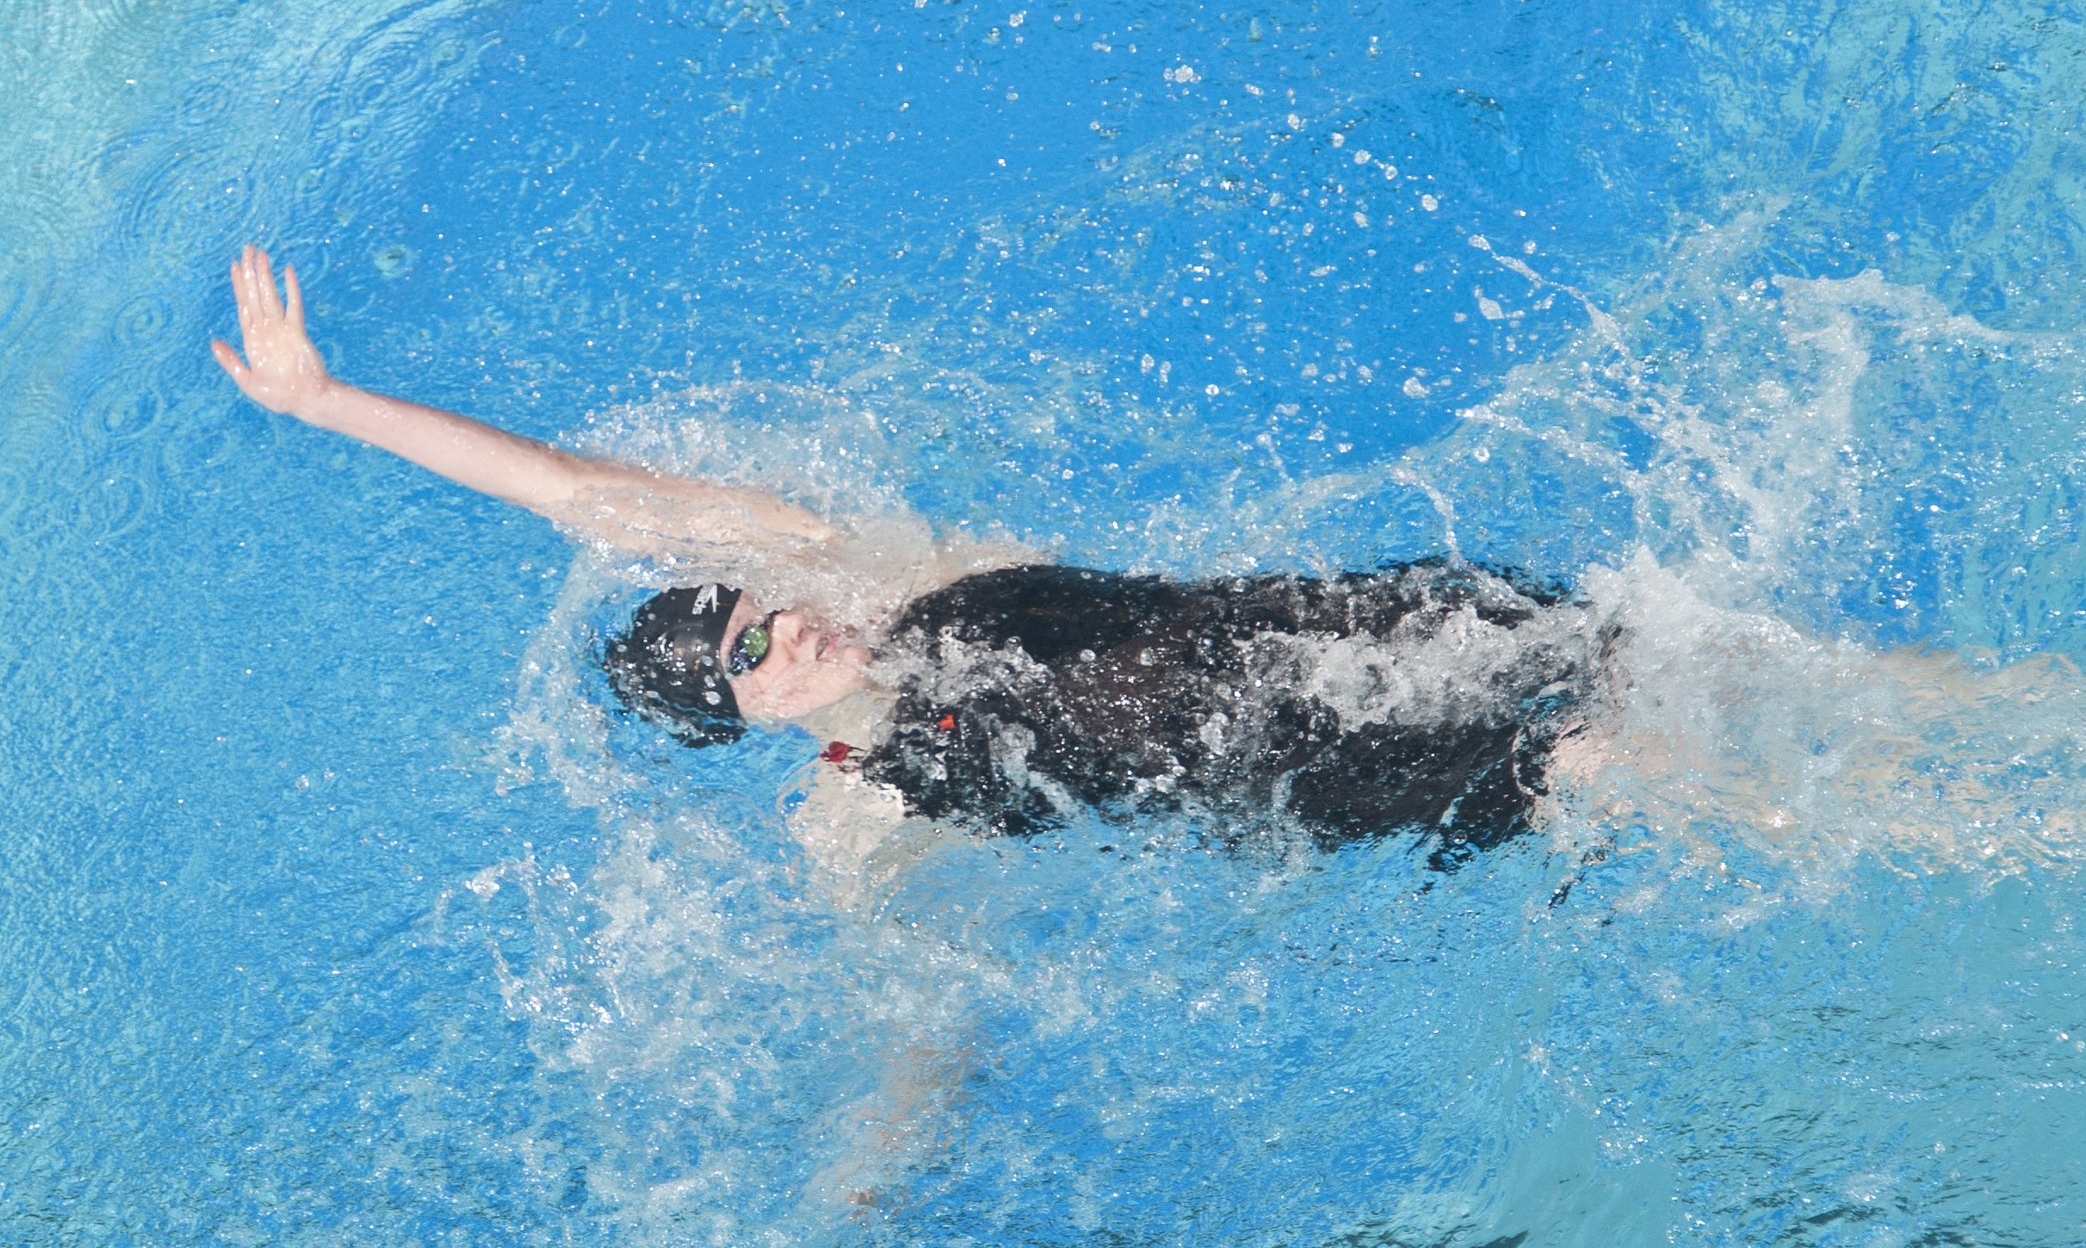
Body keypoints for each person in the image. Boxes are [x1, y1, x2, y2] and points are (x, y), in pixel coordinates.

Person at [212, 246, 1614, 864]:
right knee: (1649, 766)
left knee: (1637, 645)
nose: (782, 630)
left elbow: (585, 493)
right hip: (1324, 775)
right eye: (749, 655)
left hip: (1329, 627)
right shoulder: (862, 813)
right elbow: (916, 1013)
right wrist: (874, 1159)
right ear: (743, 715)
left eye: (759, 608)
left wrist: (335, 400)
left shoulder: (881, 571)